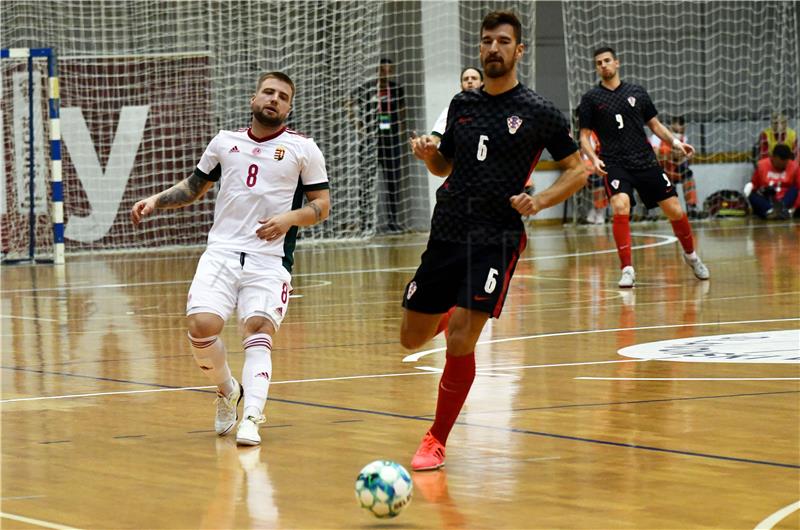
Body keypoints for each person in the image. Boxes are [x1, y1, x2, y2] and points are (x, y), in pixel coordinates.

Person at [403, 10, 588, 471]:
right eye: (487, 41)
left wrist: (540, 201)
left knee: (463, 338)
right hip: (447, 228)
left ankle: (435, 438)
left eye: (503, 41)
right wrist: (430, 156)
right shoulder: (462, 104)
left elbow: (578, 169)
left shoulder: (539, 111)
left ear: (518, 50)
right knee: (411, 338)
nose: (493, 48)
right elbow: (445, 167)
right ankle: (447, 310)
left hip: (497, 234)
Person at [131, 72, 330, 446]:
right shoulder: (225, 142)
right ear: (254, 98)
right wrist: (155, 200)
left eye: (283, 96)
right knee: (201, 325)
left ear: (289, 107)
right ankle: (227, 390)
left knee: (258, 327)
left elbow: (322, 207)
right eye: (268, 92)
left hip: (269, 260)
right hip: (221, 252)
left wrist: (288, 219)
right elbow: (193, 188)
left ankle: (252, 418)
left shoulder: (304, 149)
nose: (274, 99)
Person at [578, 47, 710, 288]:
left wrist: (676, 142)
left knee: (675, 210)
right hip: (614, 163)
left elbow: (655, 125)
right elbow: (584, 136)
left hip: (645, 160)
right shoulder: (591, 99)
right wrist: (593, 158)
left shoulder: (637, 92)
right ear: (596, 68)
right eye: (599, 63)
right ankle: (627, 269)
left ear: (617, 63)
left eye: (607, 61)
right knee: (620, 206)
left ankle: (691, 255)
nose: (603, 65)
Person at [349, 58, 407, 232]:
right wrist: (359, 126)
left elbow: (402, 110)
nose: (385, 73)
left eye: (388, 70)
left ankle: (393, 221)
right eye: (382, 70)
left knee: (393, 182)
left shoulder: (396, 89)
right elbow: (348, 102)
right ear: (378, 71)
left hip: (391, 141)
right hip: (370, 141)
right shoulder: (367, 88)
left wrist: (400, 129)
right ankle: (365, 222)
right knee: (366, 182)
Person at [650, 116, 704, 219]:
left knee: (688, 174)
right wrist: (669, 153)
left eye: (681, 124)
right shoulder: (657, 137)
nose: (678, 127)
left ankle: (692, 207)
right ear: (670, 126)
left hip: (675, 169)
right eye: (676, 124)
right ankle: (657, 212)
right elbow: (655, 154)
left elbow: (682, 157)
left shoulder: (683, 138)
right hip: (661, 169)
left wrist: (678, 155)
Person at [430, 67, 483, 143]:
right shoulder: (451, 110)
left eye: (474, 78)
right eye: (466, 79)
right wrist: (423, 145)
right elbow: (434, 138)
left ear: (482, 83)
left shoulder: (491, 107)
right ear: (461, 85)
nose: (470, 81)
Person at [746, 143, 799, 219]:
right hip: (768, 198)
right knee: (750, 193)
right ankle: (771, 211)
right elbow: (755, 186)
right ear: (774, 157)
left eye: (786, 161)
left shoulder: (794, 167)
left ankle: (781, 209)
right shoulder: (762, 166)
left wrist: (794, 207)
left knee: (795, 188)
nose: (784, 164)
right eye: (782, 161)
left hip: (786, 199)